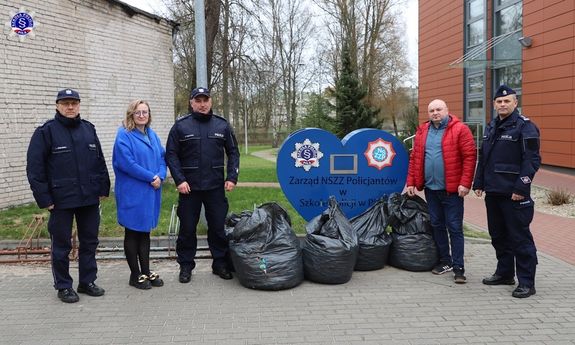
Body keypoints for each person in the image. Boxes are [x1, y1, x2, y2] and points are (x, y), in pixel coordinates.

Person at [26, 89, 110, 303]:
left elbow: (99, 161)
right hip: (61, 200)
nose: (70, 107)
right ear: (57, 105)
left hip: (89, 197)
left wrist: (103, 188)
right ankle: (63, 286)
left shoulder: (88, 130)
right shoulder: (46, 132)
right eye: (65, 103)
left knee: (90, 242)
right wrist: (45, 200)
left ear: (79, 105)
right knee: (61, 246)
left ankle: (87, 281)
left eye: (73, 103)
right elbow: (35, 169)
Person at [165, 87, 240, 283]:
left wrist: (232, 177)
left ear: (211, 101)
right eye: (198, 100)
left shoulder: (222, 125)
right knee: (187, 229)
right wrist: (179, 180)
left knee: (217, 228)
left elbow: (233, 152)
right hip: (189, 188)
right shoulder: (181, 126)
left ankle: (220, 264)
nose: (202, 104)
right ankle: (186, 266)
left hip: (215, 186)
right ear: (191, 103)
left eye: (205, 100)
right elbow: (171, 154)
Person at [473, 85, 541, 298]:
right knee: (498, 236)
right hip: (493, 192)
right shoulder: (492, 126)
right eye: (499, 102)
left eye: (507, 101)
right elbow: (484, 157)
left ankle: (527, 283)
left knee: (519, 238)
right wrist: (479, 182)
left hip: (514, 194)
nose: (502, 104)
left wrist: (522, 187)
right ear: (494, 104)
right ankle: (504, 273)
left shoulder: (525, 127)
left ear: (515, 103)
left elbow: (532, 160)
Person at [405, 99, 477, 284]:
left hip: (452, 191)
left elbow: (470, 157)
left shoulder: (460, 129)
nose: (435, 113)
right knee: (437, 225)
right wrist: (411, 182)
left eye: (438, 109)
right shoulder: (423, 131)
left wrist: (465, 183)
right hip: (430, 188)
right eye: (431, 110)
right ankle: (445, 261)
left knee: (454, 227)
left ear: (447, 110)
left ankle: (459, 267)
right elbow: (415, 158)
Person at [113, 100, 167, 290]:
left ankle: (145, 270)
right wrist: (150, 176)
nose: (142, 115)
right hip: (133, 192)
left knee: (144, 232)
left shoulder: (152, 135)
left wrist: (160, 175)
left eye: (145, 112)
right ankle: (135, 275)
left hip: (150, 190)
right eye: (138, 112)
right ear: (131, 115)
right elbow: (127, 163)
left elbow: (162, 157)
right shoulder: (124, 136)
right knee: (132, 231)